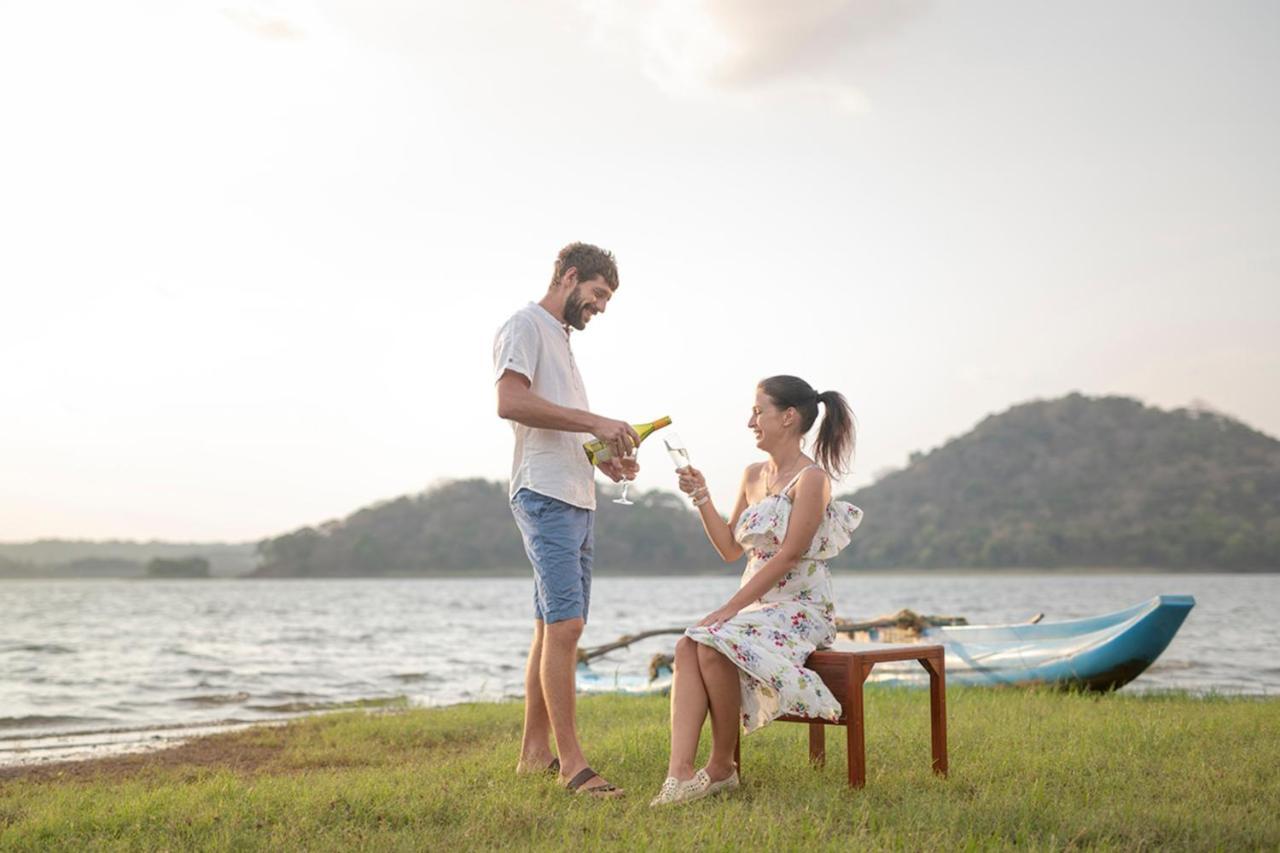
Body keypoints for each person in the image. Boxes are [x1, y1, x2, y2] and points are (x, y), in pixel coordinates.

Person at [650, 375, 863, 806]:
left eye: (757, 410)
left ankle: (722, 766)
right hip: (756, 607)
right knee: (688, 644)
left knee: (710, 643)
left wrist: (727, 611)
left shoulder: (812, 480)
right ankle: (678, 774)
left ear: (787, 417)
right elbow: (731, 549)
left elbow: (787, 557)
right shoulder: (752, 475)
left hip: (800, 608)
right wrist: (702, 496)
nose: (750, 420)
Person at [493, 242, 639, 799]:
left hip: (574, 494)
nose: (600, 307)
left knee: (549, 625)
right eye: (598, 294)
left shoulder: (562, 340)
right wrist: (594, 419)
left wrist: (605, 459)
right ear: (571, 277)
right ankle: (574, 767)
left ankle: (534, 754)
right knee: (567, 627)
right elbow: (510, 402)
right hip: (545, 496)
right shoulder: (525, 324)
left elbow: (563, 432)